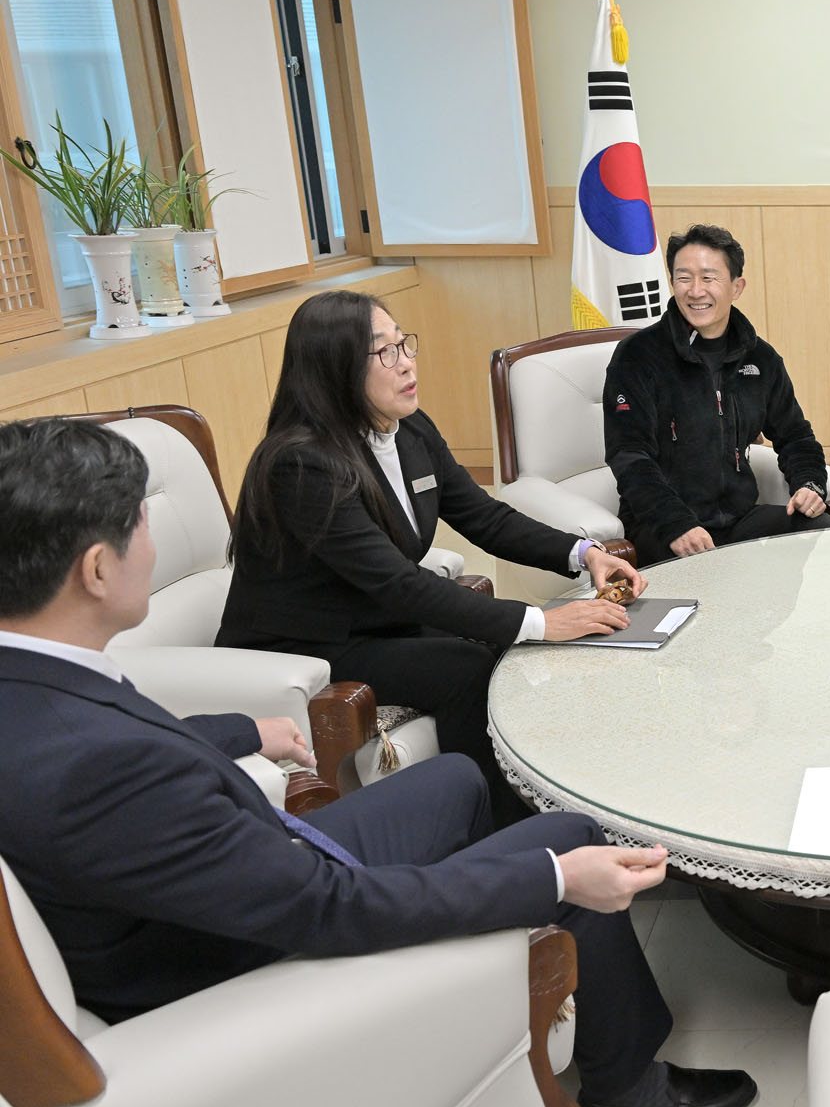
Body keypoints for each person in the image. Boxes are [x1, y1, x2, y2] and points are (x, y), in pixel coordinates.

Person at [0, 417, 753, 1107]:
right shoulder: (98, 768)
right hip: (253, 952)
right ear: (96, 569)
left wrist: (242, 731)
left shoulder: (35, 684)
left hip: (237, 881)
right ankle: (627, 1091)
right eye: (140, 524)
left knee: (457, 778)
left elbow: (127, 747)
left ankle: (503, 970)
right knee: (566, 841)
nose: (152, 544)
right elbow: (326, 908)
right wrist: (552, 877)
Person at [217, 290, 639, 824]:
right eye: (384, 352)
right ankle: (494, 829)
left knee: (510, 648)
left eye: (404, 344)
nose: (406, 363)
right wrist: (541, 620)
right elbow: (399, 584)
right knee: (469, 667)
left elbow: (484, 517)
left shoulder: (411, 429)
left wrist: (583, 552)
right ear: (335, 369)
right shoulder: (302, 464)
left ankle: (567, 796)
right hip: (309, 644)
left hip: (374, 619)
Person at [603, 224, 830, 564]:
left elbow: (795, 437)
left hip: (739, 519)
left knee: (822, 529)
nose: (696, 291)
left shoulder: (761, 358)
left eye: (709, 278)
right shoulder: (637, 356)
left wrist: (809, 484)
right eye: (684, 278)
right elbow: (629, 455)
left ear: (736, 287)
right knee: (712, 580)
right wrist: (676, 524)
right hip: (662, 527)